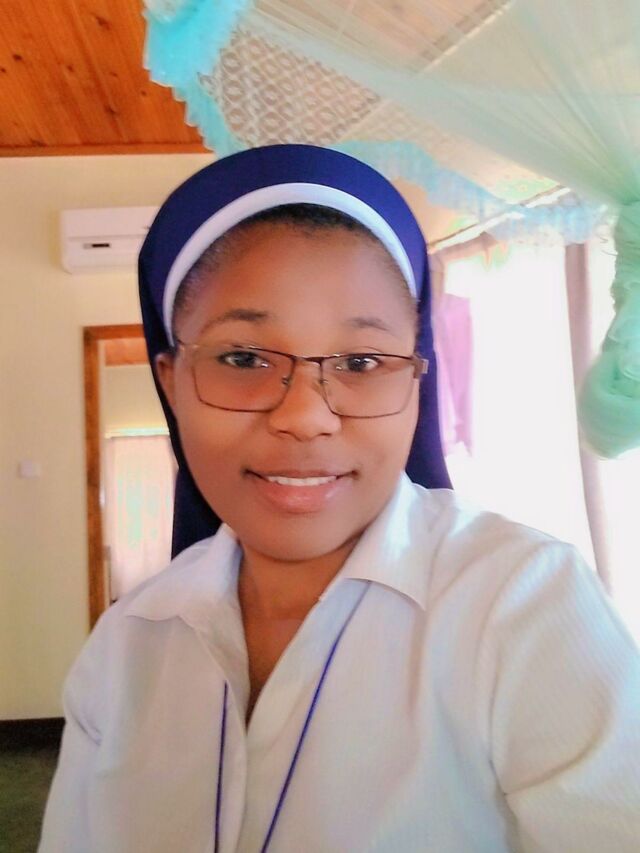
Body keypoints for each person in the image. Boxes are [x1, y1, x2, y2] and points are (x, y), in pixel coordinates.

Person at [39, 145, 640, 852]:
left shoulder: (522, 605)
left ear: (415, 379)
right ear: (170, 382)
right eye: (243, 358)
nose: (305, 417)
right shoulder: (126, 645)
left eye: (361, 361)